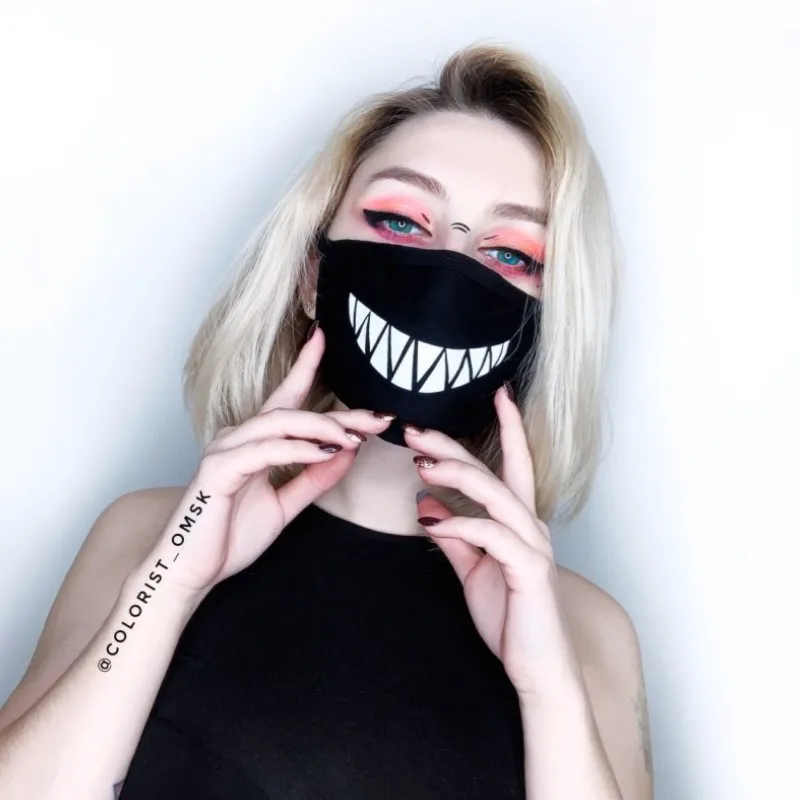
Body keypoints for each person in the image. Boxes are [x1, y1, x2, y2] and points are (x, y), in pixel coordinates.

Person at [0, 43, 652, 800]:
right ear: (314, 275)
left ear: (545, 326)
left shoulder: (587, 628)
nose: (449, 271)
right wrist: (171, 582)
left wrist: (547, 688)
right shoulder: (148, 533)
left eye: (510, 254)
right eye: (401, 221)